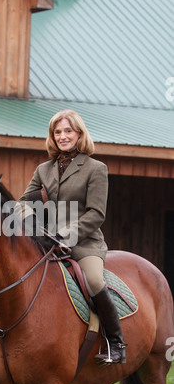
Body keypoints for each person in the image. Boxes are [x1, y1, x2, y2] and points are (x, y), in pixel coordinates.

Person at [17, 109, 127, 365]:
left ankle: (116, 342)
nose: (63, 136)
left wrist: (63, 235)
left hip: (84, 243)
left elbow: (96, 214)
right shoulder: (44, 169)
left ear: (79, 134)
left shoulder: (96, 169)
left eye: (68, 131)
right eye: (58, 132)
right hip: (47, 243)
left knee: (93, 281)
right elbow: (22, 202)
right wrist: (33, 222)